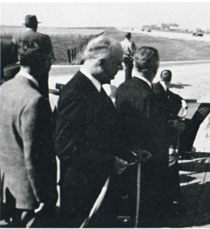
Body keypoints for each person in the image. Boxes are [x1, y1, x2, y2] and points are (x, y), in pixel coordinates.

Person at [55, 36, 134, 227]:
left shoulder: (93, 88)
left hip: (97, 185)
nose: (120, 70)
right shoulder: (76, 92)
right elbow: (66, 147)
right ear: (101, 63)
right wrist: (109, 161)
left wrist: (129, 151)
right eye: (117, 64)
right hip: (83, 192)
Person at [0, 30, 57, 227]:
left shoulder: (5, 89)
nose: (52, 62)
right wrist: (43, 197)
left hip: (8, 191)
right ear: (43, 59)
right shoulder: (35, 101)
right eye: (51, 57)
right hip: (29, 199)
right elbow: (34, 157)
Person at [116, 46, 170, 226]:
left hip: (129, 158)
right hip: (148, 164)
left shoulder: (123, 88)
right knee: (146, 214)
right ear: (155, 68)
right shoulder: (149, 96)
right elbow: (153, 134)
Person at [153, 69, 186, 212]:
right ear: (170, 79)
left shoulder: (156, 89)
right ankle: (173, 196)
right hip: (163, 133)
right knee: (171, 162)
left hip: (161, 133)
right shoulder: (162, 93)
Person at [12, 15, 54, 97]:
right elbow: (50, 57)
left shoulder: (17, 37)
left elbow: (13, 57)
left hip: (22, 72)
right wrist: (46, 70)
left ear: (25, 25)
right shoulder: (44, 38)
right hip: (41, 73)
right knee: (42, 97)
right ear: (36, 25)